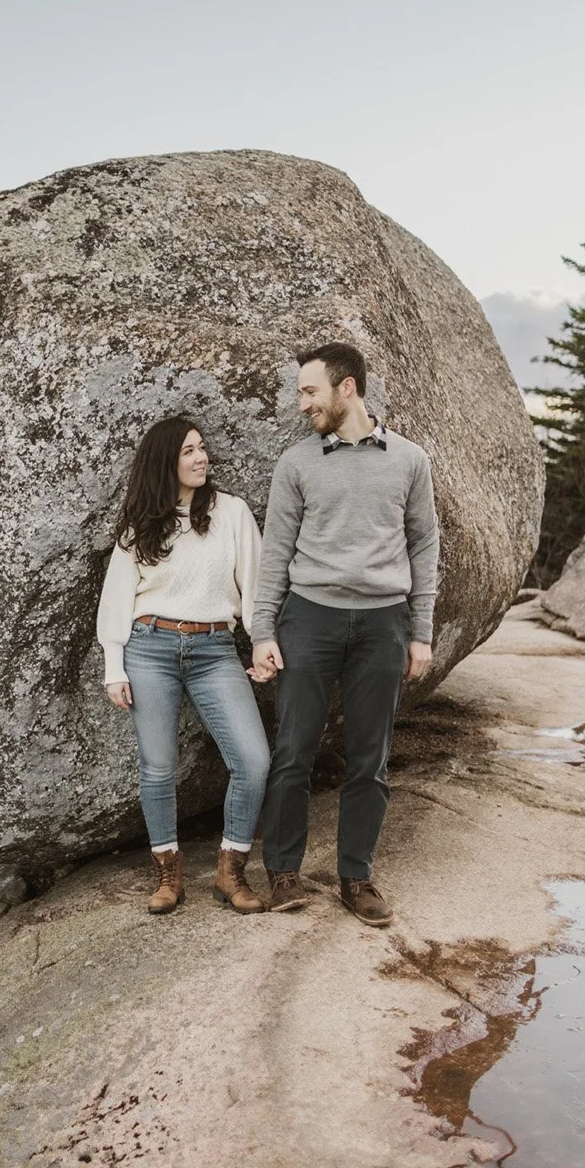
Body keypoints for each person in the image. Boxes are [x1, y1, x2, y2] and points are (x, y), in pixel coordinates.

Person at [249, 342, 439, 926]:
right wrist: (262, 630)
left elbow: (425, 544)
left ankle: (356, 879)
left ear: (347, 388)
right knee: (292, 752)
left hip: (384, 622)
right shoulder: (297, 464)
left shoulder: (410, 460)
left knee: (370, 758)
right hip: (309, 617)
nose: (301, 403)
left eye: (310, 391)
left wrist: (421, 631)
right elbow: (275, 551)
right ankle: (283, 872)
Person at [96, 416, 272, 916]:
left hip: (215, 649)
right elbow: (117, 596)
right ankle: (168, 874)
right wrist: (115, 663)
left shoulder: (232, 513)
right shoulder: (140, 524)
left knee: (254, 761)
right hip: (148, 649)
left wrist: (261, 641)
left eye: (202, 448)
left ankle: (230, 869)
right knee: (157, 767)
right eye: (188, 452)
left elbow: (255, 587)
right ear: (165, 463)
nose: (201, 458)